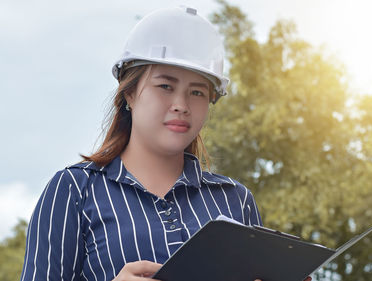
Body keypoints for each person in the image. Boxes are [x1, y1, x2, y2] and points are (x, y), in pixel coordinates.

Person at [19, 6, 265, 281]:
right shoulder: (75, 191)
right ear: (130, 94)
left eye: (197, 92)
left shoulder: (235, 200)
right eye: (165, 86)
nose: (181, 105)